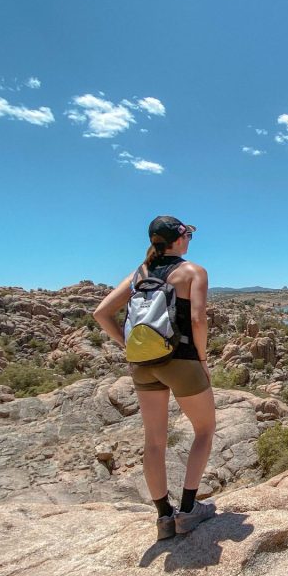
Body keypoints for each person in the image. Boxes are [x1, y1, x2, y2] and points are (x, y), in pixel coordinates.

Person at [93, 215, 216, 540]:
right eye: (188, 234)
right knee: (204, 430)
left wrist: (128, 345)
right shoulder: (193, 271)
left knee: (154, 442)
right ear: (178, 238)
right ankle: (189, 510)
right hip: (181, 359)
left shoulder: (140, 273)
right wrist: (202, 360)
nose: (190, 238)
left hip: (143, 364)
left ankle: (164, 517)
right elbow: (198, 319)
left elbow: (101, 313)